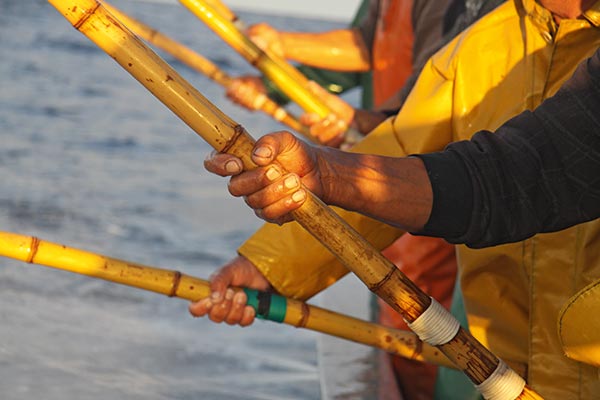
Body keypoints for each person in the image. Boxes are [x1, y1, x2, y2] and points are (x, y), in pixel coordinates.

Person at [193, 1, 600, 398]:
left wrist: (339, 153)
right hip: (505, 372)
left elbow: (527, 174)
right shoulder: (479, 45)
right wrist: (270, 265)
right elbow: (402, 151)